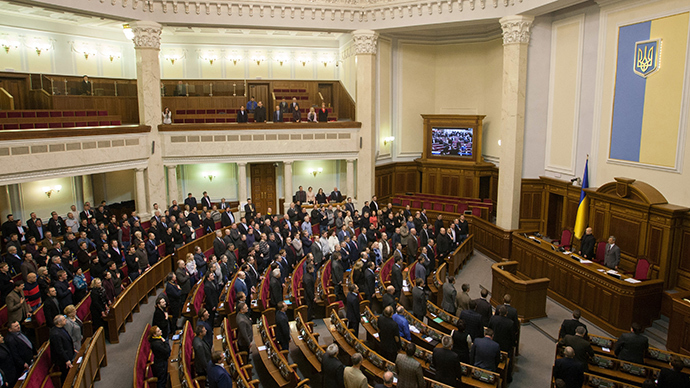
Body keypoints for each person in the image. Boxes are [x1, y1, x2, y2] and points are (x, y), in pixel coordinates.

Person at [50, 315, 76, 382]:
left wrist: (72, 348)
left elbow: (67, 340)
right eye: (64, 319)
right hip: (62, 360)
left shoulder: (61, 328)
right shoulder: (55, 334)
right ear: (59, 322)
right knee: (66, 377)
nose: (66, 320)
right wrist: (66, 360)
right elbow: (59, 349)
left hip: (68, 353)